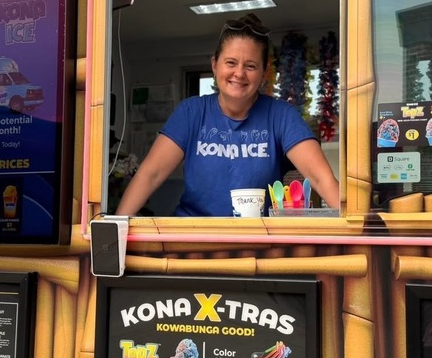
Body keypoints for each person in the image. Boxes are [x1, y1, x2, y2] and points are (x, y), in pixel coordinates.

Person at [117, 14, 340, 217]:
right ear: (215, 65)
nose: (239, 73)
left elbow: (322, 179)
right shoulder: (191, 112)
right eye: (231, 63)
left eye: (251, 66)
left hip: (256, 242)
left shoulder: (281, 116)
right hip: (194, 239)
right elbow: (150, 175)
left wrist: (358, 230)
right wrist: (112, 231)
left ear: (263, 73)